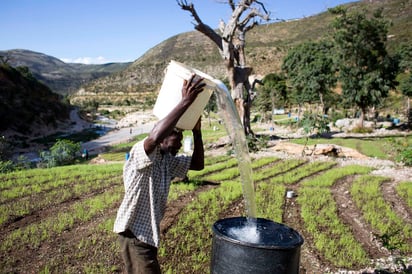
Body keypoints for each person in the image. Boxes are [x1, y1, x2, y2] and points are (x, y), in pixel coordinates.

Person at [113, 74, 206, 274]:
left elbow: (198, 165)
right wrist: (186, 101)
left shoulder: (167, 162)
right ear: (164, 137)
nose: (181, 142)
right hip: (134, 236)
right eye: (177, 137)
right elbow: (154, 136)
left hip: (147, 237)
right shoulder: (141, 153)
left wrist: (197, 133)